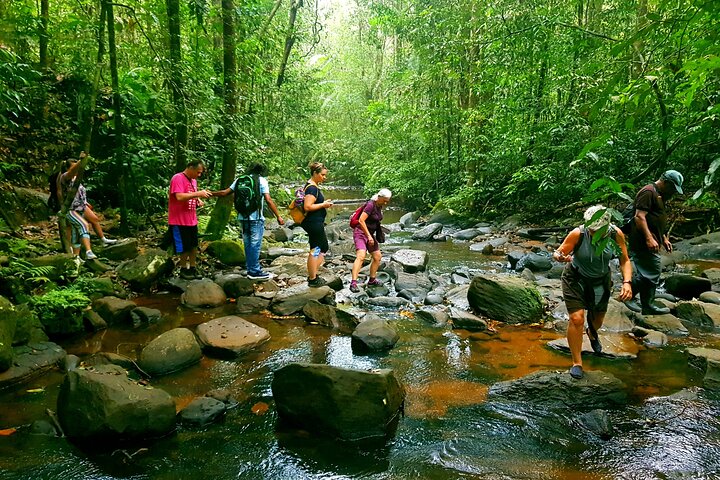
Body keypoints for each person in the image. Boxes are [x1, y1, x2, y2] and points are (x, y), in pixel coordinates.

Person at [553, 205, 633, 380]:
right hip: (576, 278)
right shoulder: (578, 234)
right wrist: (560, 257)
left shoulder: (615, 234)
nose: (594, 233)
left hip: (600, 281)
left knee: (597, 319)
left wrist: (627, 282)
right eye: (592, 229)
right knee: (577, 318)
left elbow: (624, 260)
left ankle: (592, 332)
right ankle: (577, 363)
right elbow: (559, 252)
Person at [212, 163, 285, 280]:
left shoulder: (240, 180)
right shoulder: (261, 181)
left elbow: (224, 193)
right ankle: (254, 271)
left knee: (247, 244)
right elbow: (268, 200)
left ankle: (250, 268)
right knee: (255, 245)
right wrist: (278, 216)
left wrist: (208, 193)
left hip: (242, 217)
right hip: (256, 218)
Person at [625, 170, 684, 315]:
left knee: (649, 272)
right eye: (672, 188)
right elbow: (639, 217)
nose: (673, 192)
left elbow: (655, 219)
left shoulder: (659, 194)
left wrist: (663, 238)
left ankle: (638, 299)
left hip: (653, 239)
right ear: (666, 182)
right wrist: (648, 238)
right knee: (652, 271)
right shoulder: (648, 192)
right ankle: (639, 300)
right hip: (641, 240)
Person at [53, 152, 118, 251]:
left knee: (94, 219)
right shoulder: (64, 177)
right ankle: (70, 248)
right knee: (70, 227)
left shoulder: (76, 178)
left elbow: (78, 191)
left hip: (81, 204)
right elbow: (60, 191)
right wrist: (81, 160)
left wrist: (85, 202)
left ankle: (103, 239)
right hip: (70, 207)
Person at [168, 160, 212, 279]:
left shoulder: (193, 181)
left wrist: (197, 200)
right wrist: (198, 194)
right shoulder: (177, 178)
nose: (199, 175)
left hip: (191, 219)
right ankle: (183, 269)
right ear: (190, 168)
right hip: (179, 220)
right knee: (184, 246)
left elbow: (191, 195)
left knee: (193, 245)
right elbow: (179, 196)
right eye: (198, 172)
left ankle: (192, 267)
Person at [349, 188, 391, 292]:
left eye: (387, 201)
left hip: (370, 234)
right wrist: (368, 236)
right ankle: (353, 283)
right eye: (384, 200)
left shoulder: (379, 206)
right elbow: (361, 220)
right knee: (361, 256)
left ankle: (372, 280)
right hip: (360, 233)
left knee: (377, 257)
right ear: (379, 197)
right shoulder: (370, 205)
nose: (385, 203)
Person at [301, 162, 333, 287]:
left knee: (322, 248)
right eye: (323, 175)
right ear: (315, 173)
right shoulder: (312, 188)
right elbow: (308, 206)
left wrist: (323, 203)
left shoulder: (312, 186)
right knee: (316, 249)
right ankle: (312, 278)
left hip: (315, 222)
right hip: (313, 223)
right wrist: (323, 205)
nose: (324, 178)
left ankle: (312, 274)